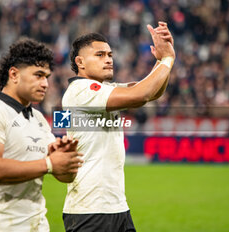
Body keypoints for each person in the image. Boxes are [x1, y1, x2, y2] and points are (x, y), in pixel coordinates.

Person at [61, 22, 175, 231]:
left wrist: (162, 59)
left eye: (110, 55)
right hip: (90, 211)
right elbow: (142, 94)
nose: (108, 60)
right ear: (80, 62)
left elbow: (153, 92)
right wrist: (167, 60)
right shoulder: (81, 91)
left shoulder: (104, 90)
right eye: (100, 55)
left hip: (116, 207)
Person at [0, 37, 83, 232]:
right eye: (38, 75)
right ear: (14, 74)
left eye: (47, 77)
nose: (45, 84)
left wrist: (65, 159)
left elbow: (64, 177)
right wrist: (49, 163)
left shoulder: (39, 118)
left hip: (37, 225)